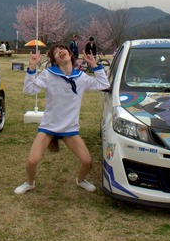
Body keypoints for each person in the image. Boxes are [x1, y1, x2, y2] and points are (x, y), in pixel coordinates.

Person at [14, 44, 109, 194]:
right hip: (48, 127)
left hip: (69, 129)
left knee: (87, 162)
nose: (60, 52)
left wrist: (94, 66)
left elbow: (103, 84)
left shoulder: (81, 77)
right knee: (32, 161)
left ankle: (81, 180)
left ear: (70, 54)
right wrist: (32, 68)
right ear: (55, 60)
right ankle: (29, 183)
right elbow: (29, 90)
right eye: (56, 53)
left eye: (62, 50)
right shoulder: (48, 74)